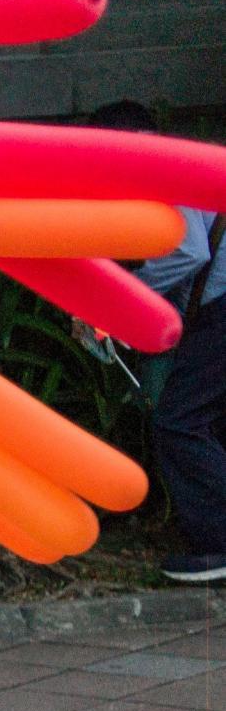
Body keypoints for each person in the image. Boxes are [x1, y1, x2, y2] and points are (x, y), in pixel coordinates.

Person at [86, 100, 226, 581]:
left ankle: (220, 542)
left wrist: (119, 302)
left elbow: (188, 251)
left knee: (180, 419)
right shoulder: (174, 156)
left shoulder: (158, 165)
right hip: (217, 297)